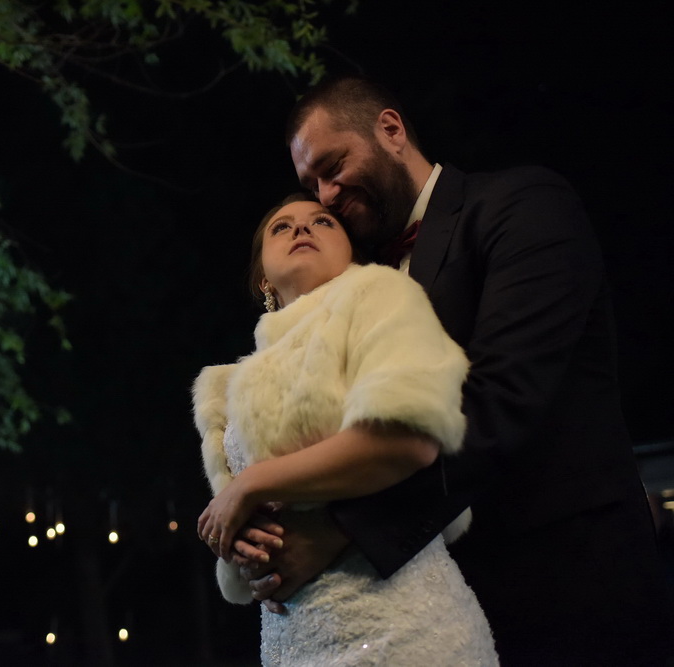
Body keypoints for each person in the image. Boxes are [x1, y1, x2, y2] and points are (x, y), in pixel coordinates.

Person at [230, 75, 674, 665]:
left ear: (391, 130)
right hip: (431, 604)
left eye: (333, 166)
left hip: (566, 582)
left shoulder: (523, 204)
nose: (326, 194)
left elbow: (499, 398)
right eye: (311, 183)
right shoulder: (355, 286)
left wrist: (344, 531)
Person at [193, 195, 498, 665]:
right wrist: (241, 548)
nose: (302, 229)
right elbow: (241, 552)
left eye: (322, 221)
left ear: (350, 254)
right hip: (290, 641)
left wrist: (251, 484)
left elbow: (409, 441)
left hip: (402, 628)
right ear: (262, 277)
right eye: (282, 227)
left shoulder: (382, 297)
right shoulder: (224, 390)